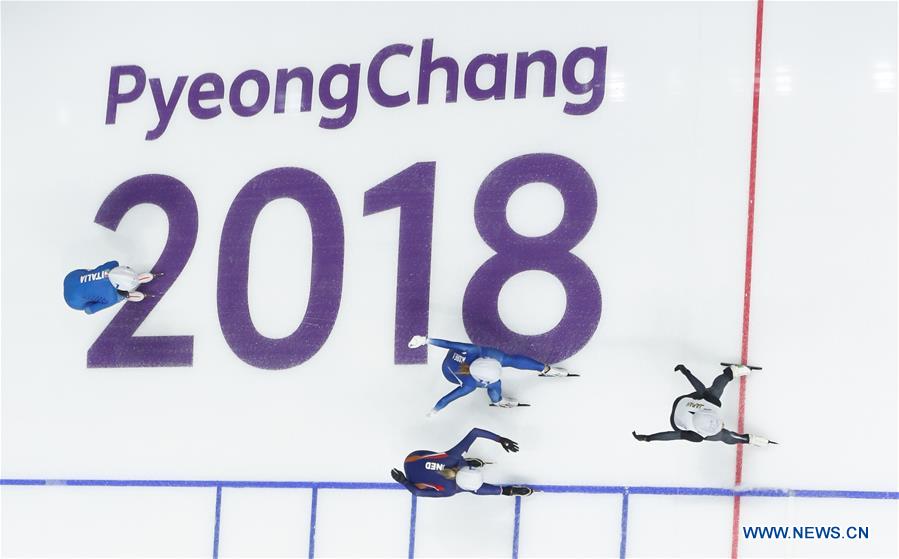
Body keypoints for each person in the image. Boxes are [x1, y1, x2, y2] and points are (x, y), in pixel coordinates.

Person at [407, 335, 576, 416]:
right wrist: (434, 411)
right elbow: (447, 399)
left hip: (471, 361)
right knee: (496, 384)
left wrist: (425, 340)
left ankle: (544, 369)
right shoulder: (469, 384)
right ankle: (498, 400)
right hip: (452, 371)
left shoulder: (473, 350)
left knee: (505, 360)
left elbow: (449, 344)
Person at [632, 364, 776, 446]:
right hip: (677, 422)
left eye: (721, 424)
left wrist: (686, 372)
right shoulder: (696, 436)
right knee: (724, 436)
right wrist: (648, 438)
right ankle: (748, 439)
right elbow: (673, 435)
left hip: (684, 401)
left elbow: (699, 387)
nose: (723, 424)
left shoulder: (711, 404)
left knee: (713, 392)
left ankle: (730, 372)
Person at [390, 428, 533, 498]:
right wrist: (403, 480)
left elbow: (475, 432)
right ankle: (504, 491)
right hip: (413, 459)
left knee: (465, 483)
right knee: (465, 482)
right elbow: (416, 492)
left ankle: (505, 491)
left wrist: (501, 439)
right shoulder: (453, 463)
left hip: (413, 459)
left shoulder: (450, 486)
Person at [63, 261, 156, 315]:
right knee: (118, 297)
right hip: (74, 302)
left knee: (116, 296)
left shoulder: (111, 265)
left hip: (71, 277)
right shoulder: (111, 298)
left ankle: (125, 295)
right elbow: (88, 310)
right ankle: (125, 296)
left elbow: (114, 262)